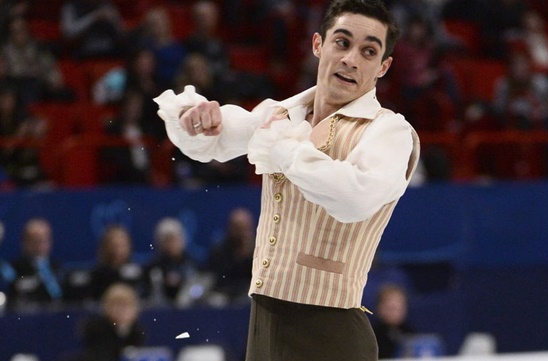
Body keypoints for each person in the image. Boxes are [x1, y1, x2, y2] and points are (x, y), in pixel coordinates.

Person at [154, 1, 420, 360]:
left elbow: (356, 199)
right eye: (342, 43)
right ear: (318, 45)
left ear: (383, 66)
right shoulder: (281, 114)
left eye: (368, 51)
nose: (351, 59)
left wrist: (283, 147)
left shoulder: (388, 131)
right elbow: (213, 142)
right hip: (264, 323)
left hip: (331, 331)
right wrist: (193, 116)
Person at [78, 283, 145, 361]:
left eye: (126, 305)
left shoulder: (137, 331)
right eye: (116, 305)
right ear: (106, 306)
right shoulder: (96, 328)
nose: (121, 310)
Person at [9, 217, 63, 311]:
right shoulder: (15, 269)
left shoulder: (57, 267)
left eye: (44, 240)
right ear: (24, 242)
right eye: (36, 241)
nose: (40, 245)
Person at [144, 217, 199, 305]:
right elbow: (147, 293)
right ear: (160, 242)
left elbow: (198, 287)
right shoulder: (153, 266)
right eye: (168, 240)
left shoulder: (191, 263)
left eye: (175, 239)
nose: (172, 244)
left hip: (188, 308)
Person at [205, 207, 255, 304]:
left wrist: (248, 256)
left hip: (247, 292)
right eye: (238, 228)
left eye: (245, 228)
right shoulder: (219, 250)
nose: (241, 232)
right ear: (230, 228)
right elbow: (216, 277)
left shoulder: (257, 250)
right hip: (223, 292)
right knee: (215, 301)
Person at [90, 224, 145, 301]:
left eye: (122, 245)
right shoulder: (96, 275)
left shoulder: (139, 272)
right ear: (105, 247)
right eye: (114, 245)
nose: (118, 250)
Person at [371, 283, 416, 359]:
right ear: (379, 308)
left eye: (399, 308)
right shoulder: (372, 334)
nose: (395, 313)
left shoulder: (409, 331)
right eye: (391, 308)